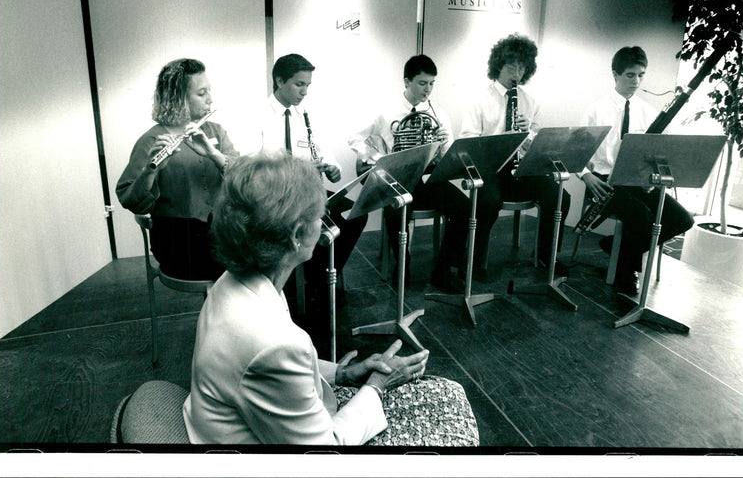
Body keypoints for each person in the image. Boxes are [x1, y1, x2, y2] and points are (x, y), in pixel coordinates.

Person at [182, 152, 465, 445]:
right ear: (296, 235)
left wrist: (343, 373)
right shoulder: (276, 343)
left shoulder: (232, 281)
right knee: (451, 405)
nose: (324, 220)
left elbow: (270, 369)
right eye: (320, 213)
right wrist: (378, 385)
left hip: (223, 424)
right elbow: (322, 453)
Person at [238, 54, 367, 343]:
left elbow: (322, 151)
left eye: (308, 85)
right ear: (279, 81)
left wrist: (331, 166)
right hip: (277, 200)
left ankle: (322, 277)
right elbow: (251, 168)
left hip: (308, 194)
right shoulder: (256, 116)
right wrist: (298, 170)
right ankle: (317, 285)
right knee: (318, 227)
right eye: (299, 85)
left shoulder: (304, 114)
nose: (305, 91)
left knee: (357, 212)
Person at [347, 54, 470, 291]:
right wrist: (376, 159)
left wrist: (445, 144)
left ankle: (443, 270)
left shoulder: (439, 114)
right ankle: (403, 265)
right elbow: (354, 137)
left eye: (432, 84)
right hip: (398, 179)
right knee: (396, 213)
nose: (428, 89)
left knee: (463, 208)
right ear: (406, 81)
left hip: (427, 179)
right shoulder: (386, 111)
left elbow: (447, 158)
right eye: (422, 83)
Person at [578, 46, 694, 295]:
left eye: (641, 75)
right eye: (630, 75)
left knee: (683, 220)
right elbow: (576, 153)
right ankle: (625, 271)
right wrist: (586, 176)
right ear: (615, 75)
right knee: (641, 215)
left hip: (636, 181)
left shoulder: (648, 111)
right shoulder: (595, 110)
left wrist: (650, 178)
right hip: (603, 182)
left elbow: (654, 155)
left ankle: (616, 248)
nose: (637, 81)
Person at [459, 33, 571, 280]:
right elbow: (468, 142)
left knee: (560, 195)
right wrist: (503, 136)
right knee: (489, 202)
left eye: (522, 67)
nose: (516, 73)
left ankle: (546, 256)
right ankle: (474, 261)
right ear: (498, 65)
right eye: (511, 65)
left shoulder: (530, 102)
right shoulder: (480, 100)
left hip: (520, 170)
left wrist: (526, 134)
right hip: (490, 171)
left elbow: (540, 145)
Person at [116, 58, 239, 280]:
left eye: (209, 91)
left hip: (220, 231)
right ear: (179, 99)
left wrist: (214, 154)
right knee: (244, 269)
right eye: (202, 93)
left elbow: (243, 178)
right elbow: (129, 200)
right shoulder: (151, 140)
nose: (210, 99)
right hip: (178, 239)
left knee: (261, 255)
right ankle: (222, 311)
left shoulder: (216, 131)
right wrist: (150, 171)